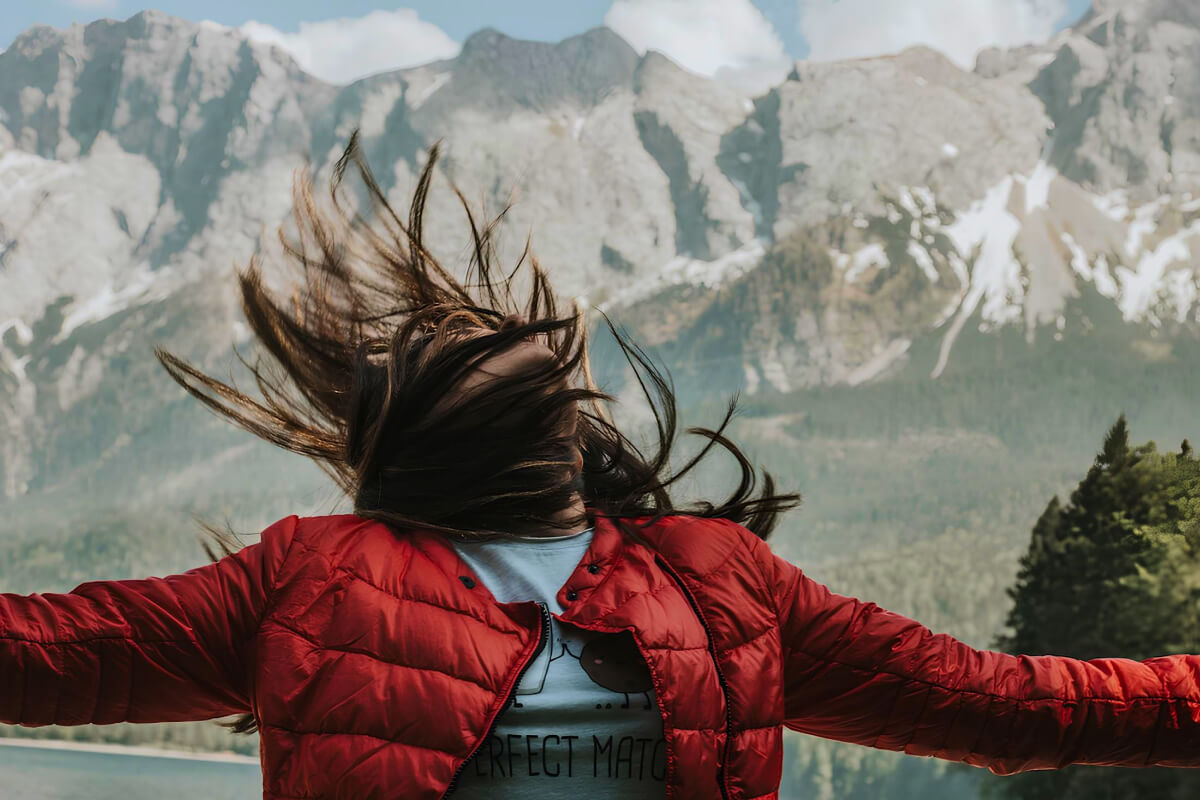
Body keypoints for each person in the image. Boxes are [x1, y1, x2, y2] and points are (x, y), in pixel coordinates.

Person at [2, 130, 1200, 800]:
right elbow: (45, 654)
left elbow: (1011, 705)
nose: (499, 347)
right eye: (458, 355)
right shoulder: (312, 578)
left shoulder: (719, 583)